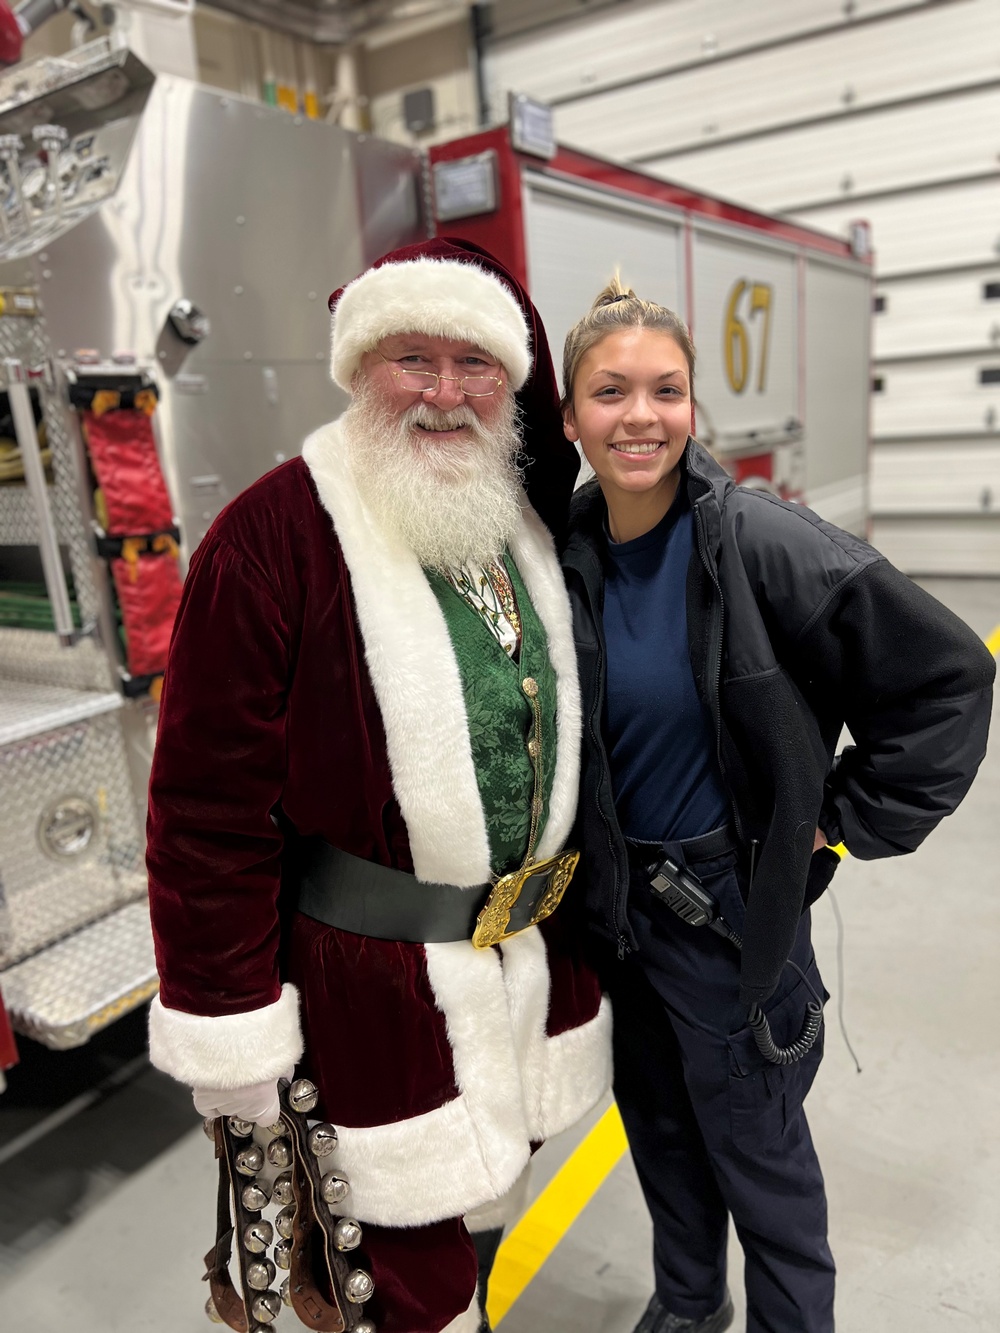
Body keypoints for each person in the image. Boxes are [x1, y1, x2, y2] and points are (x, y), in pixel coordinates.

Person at [144, 238, 612, 1333]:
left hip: (524, 976)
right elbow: (205, 816)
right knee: (397, 1293)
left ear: (513, 382)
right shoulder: (272, 537)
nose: (444, 394)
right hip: (370, 1008)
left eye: (474, 364)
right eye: (413, 358)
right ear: (359, 367)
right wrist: (235, 1044)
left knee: (486, 1226)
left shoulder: (521, 524)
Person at [559, 278, 995, 1333]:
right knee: (660, 1128)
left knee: (758, 1155)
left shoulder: (760, 545)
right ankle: (688, 1303)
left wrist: (842, 814)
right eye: (609, 391)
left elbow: (946, 680)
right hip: (617, 909)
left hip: (721, 911)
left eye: (666, 389)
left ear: (692, 408)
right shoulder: (562, 553)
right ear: (570, 416)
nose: (640, 416)